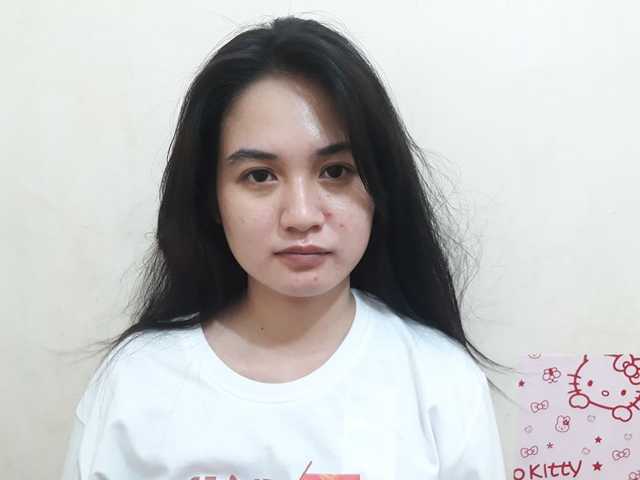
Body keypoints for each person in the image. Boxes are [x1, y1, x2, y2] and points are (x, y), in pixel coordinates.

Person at [60, 15, 509, 479]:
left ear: (381, 185)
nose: (301, 215)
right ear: (211, 198)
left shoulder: (441, 384)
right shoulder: (136, 383)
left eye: (336, 171)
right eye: (259, 176)